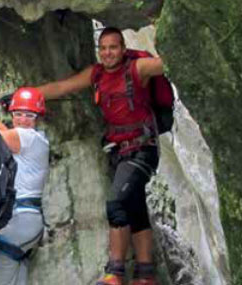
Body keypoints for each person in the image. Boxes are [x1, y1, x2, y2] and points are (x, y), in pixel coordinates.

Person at [36, 27, 165, 285]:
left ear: (123, 49)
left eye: (113, 47)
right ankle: (145, 274)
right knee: (135, 209)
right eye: (103, 48)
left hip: (142, 149)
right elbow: (63, 86)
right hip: (120, 153)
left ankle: (115, 273)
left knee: (116, 203)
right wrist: (25, 94)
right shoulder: (96, 74)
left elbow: (168, 63)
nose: (107, 53)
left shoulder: (137, 68)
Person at [0, 87, 49, 285]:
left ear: (38, 118)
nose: (22, 120)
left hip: (17, 219)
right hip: (28, 221)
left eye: (29, 115)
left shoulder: (28, 137)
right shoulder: (36, 141)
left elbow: (0, 137)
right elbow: (8, 135)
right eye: (18, 114)